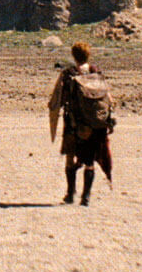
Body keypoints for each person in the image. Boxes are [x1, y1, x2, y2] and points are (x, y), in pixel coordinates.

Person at [48, 42, 114, 206]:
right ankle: (86, 197)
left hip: (74, 123)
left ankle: (70, 194)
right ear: (88, 55)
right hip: (94, 124)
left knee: (70, 158)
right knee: (89, 161)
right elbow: (109, 99)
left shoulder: (69, 74)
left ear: (73, 55)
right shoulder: (96, 72)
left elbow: (58, 101)